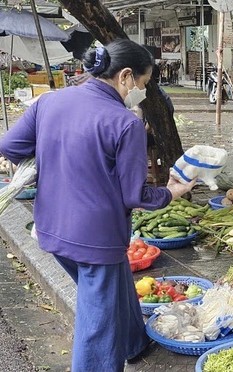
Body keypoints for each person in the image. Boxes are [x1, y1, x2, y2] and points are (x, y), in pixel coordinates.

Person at [0, 39, 196, 371]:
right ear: (126, 77)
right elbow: (135, 196)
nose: (142, 94)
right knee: (97, 328)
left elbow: (9, 146)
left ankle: (134, 341)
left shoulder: (49, 102)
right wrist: (172, 191)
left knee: (114, 285)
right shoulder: (125, 123)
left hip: (50, 229)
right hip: (96, 241)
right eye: (143, 85)